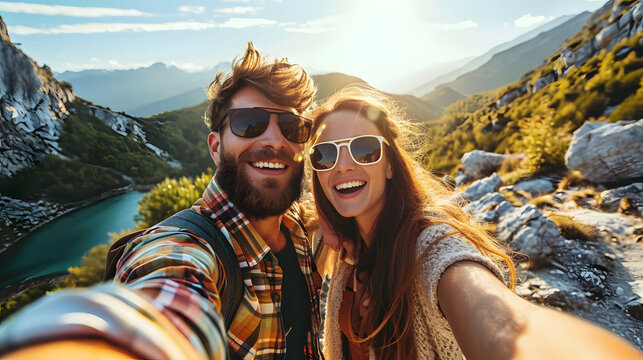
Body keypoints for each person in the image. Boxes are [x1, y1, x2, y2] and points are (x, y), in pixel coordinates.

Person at [0, 43, 323, 360]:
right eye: (248, 124)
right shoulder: (185, 249)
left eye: (291, 127)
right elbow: (166, 301)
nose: (273, 139)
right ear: (215, 147)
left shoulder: (300, 230)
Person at [307, 85, 642, 360]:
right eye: (324, 155)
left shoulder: (432, 247)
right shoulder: (347, 251)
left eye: (365, 150)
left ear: (391, 166)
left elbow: (502, 321)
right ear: (316, 173)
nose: (343, 166)